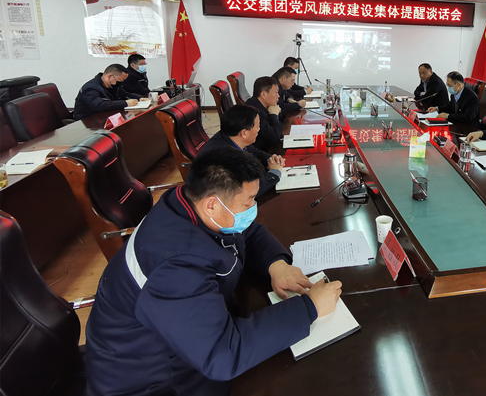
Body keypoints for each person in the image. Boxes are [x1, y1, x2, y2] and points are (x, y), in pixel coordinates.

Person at [85, 147, 342, 396]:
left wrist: (277, 265)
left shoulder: (189, 202)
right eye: (248, 202)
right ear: (212, 205)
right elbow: (221, 355)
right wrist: (310, 307)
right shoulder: (174, 267)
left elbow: (246, 230)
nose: (253, 208)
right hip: (154, 379)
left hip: (188, 337)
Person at [199, 105, 285, 197]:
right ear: (244, 133)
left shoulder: (230, 137)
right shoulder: (224, 158)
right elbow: (246, 192)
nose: (259, 130)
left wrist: (272, 159)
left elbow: (256, 153)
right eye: (257, 126)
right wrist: (274, 172)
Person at [73, 64, 139, 120]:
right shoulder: (90, 88)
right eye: (119, 80)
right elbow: (99, 106)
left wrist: (140, 98)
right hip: (87, 122)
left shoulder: (112, 86)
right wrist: (125, 103)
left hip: (105, 117)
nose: (121, 82)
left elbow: (124, 94)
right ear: (110, 76)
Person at [246, 76, 285, 152]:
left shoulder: (265, 106)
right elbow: (274, 137)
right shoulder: (254, 112)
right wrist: (274, 115)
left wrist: (276, 114)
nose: (278, 96)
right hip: (259, 152)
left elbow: (281, 124)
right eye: (276, 92)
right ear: (263, 94)